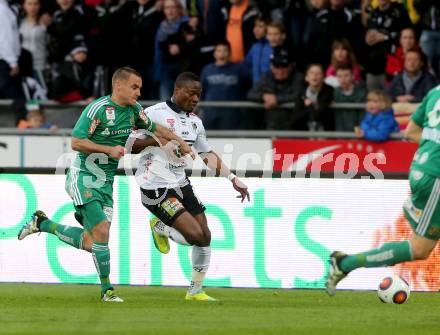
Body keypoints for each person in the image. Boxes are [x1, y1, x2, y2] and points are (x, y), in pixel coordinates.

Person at [17, 67, 193, 302]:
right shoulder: (98, 109)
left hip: (106, 182)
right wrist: (108, 149)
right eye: (134, 87)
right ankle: (107, 291)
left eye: (140, 87)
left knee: (93, 243)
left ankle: (43, 223)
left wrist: (179, 140)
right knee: (102, 232)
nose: (139, 92)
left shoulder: (134, 111)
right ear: (118, 86)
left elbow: (154, 127)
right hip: (84, 177)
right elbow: (77, 142)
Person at [132, 72, 250, 301]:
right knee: (195, 235)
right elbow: (131, 145)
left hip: (180, 182)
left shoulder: (195, 121)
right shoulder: (153, 114)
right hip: (154, 185)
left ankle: (195, 291)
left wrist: (233, 179)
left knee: (205, 237)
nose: (196, 98)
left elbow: (206, 154)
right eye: (191, 93)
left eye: (199, 94)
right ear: (177, 90)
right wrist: (159, 141)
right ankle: (161, 227)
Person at [326, 84, 440, 295]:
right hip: (436, 178)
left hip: (422, 169)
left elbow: (411, 132)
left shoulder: (434, 92)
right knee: (419, 248)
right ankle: (345, 263)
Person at [247, 47, 304, 130]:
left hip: (294, 128)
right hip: (270, 127)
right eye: (277, 66)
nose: (280, 70)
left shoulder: (298, 77)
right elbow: (250, 94)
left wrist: (277, 99)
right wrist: (263, 96)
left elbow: (298, 95)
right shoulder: (267, 76)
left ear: (291, 66)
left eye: (284, 66)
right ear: (271, 66)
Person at [200, 40, 250, 129]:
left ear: (230, 53)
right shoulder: (207, 69)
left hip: (231, 113)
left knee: (228, 141)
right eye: (219, 51)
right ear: (214, 54)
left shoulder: (239, 69)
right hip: (210, 112)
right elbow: (201, 91)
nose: (222, 54)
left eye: (225, 50)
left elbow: (247, 86)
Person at [295, 63, 334, 131]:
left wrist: (309, 106)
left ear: (323, 77)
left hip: (326, 133)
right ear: (306, 77)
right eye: (312, 73)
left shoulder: (329, 91)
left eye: (318, 73)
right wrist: (310, 108)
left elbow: (319, 115)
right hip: (305, 133)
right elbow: (296, 117)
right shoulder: (302, 93)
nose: (314, 76)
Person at [333, 64, 367, 131]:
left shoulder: (362, 93)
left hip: (357, 135)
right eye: (339, 76)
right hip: (339, 134)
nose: (343, 79)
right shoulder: (333, 93)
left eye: (346, 75)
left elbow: (363, 116)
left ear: (352, 76)